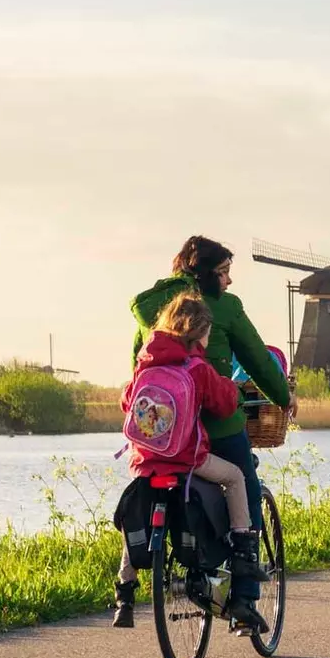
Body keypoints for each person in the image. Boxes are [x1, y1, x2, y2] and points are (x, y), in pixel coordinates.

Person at [125, 236, 295, 632]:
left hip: (163, 434)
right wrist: (283, 397)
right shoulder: (223, 309)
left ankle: (128, 581)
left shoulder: (151, 307)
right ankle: (245, 599)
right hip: (214, 427)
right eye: (223, 273)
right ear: (203, 274)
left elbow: (138, 364)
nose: (229, 282)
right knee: (245, 486)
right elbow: (257, 358)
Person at [114, 293, 267, 626]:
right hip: (186, 460)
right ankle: (244, 551)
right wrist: (233, 389)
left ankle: (124, 589)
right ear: (199, 332)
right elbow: (224, 403)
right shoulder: (196, 367)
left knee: (139, 506)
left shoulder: (146, 363)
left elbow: (128, 401)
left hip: (145, 462)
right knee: (235, 477)